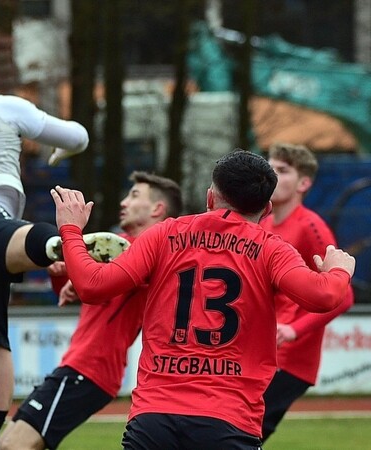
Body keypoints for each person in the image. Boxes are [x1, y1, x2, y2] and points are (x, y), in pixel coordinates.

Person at [51, 150, 355, 449]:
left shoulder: (164, 234)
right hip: (229, 418)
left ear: (210, 197)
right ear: (267, 210)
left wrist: (71, 229)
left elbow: (91, 284)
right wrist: (339, 271)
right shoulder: (272, 249)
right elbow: (325, 296)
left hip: (154, 416)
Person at [0, 50, 126, 450]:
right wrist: (60, 152)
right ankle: (57, 244)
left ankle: (51, 247)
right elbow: (78, 136)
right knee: (32, 232)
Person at [0, 172, 182, 450]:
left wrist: (74, 252)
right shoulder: (118, 246)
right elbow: (84, 287)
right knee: (5, 443)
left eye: (134, 196)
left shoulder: (154, 253)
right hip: (81, 367)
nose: (123, 202)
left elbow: (99, 277)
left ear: (158, 209)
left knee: (13, 446)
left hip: (91, 369)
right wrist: (62, 272)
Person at [260, 143, 354, 441]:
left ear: (304, 183)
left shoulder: (311, 226)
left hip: (289, 360)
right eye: (269, 167)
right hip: (262, 351)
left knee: (240, 434)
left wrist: (293, 330)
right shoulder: (263, 222)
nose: (272, 175)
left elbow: (343, 296)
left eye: (282, 170)